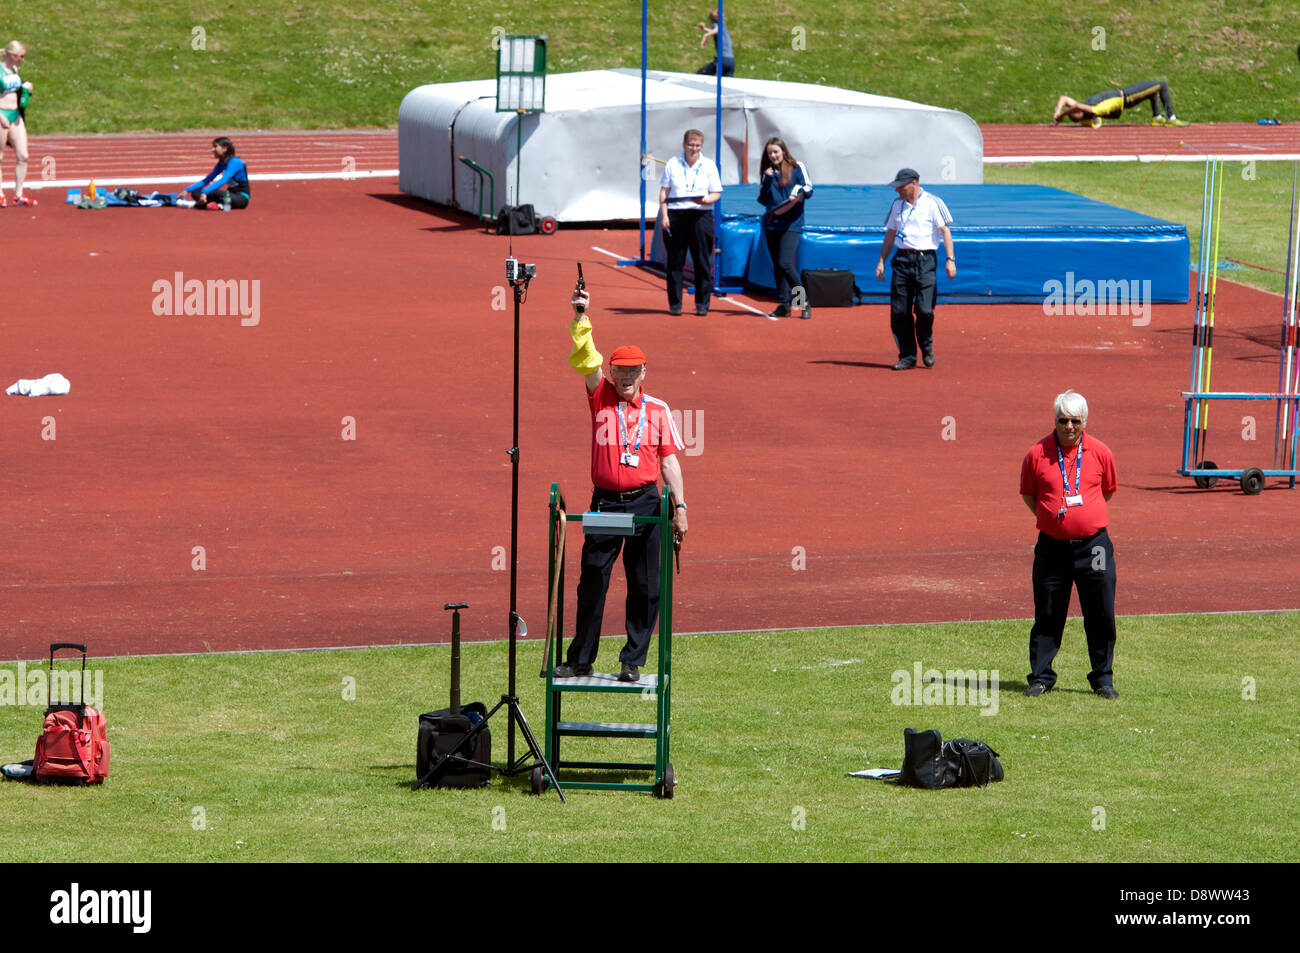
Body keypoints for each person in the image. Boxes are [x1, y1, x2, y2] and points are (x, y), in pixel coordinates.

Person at [556, 287, 689, 683]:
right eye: (620, 370)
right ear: (611, 373)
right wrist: (582, 318)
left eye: (633, 371)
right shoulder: (600, 396)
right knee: (592, 581)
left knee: (645, 584)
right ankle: (581, 658)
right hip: (605, 504)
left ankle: (632, 660)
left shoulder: (658, 409)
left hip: (646, 503)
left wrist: (680, 507)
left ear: (644, 373)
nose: (626, 377)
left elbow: (669, 461)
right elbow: (587, 360)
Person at [1019, 390, 1120, 699]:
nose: (1069, 427)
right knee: (1048, 612)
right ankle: (1041, 676)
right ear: (1055, 420)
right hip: (1052, 547)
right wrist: (1053, 519)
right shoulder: (1037, 454)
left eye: (1075, 421)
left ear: (1084, 422)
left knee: (1101, 611)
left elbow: (1108, 490)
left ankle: (1102, 678)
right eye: (1063, 420)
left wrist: (1084, 517)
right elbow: (1028, 494)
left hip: (1095, 548)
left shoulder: (1101, 452)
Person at [875, 168, 955, 370]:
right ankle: (908, 356)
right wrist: (882, 260)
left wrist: (950, 259)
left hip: (925, 261)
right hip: (902, 260)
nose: (897, 191)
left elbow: (945, 231)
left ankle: (926, 346)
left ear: (914, 183)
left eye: (901, 187)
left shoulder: (933, 202)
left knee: (925, 310)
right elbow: (891, 233)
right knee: (899, 312)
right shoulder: (897, 205)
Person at [659, 129, 722, 316]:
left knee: (702, 261)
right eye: (690, 145)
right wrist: (664, 216)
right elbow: (664, 191)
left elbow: (716, 193)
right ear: (684, 145)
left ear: (701, 146)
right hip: (677, 214)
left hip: (700, 215)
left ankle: (702, 303)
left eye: (697, 146)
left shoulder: (708, 165)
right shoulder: (673, 163)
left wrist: (705, 201)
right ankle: (675, 304)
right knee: (675, 262)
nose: (693, 149)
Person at [757, 136, 813, 319]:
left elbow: (809, 189)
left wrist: (797, 191)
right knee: (777, 266)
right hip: (772, 224)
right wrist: (766, 180)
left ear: (783, 152)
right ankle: (783, 304)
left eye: (776, 152)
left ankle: (803, 302)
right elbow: (762, 199)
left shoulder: (797, 167)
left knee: (785, 263)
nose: (773, 156)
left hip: (791, 224)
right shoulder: (768, 173)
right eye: (770, 153)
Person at [1053, 80, 1185, 128]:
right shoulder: (1095, 109)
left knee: (1151, 91)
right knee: (1162, 85)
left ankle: (1157, 117)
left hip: (1126, 95)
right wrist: (1063, 114)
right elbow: (1077, 107)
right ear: (1082, 112)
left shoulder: (1085, 109)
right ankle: (1171, 118)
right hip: (1128, 97)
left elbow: (1064, 98)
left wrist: (1058, 111)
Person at [0, 41, 37, 207]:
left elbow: (16, 90)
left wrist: (26, 89)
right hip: (2, 115)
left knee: (23, 155)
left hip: (15, 115)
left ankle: (18, 194)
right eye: (21, 56)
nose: (23, 59)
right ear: (12, 55)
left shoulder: (15, 69)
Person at [183, 137, 251, 209]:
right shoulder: (221, 163)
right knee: (196, 192)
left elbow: (224, 179)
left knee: (214, 192)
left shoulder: (235, 161)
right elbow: (207, 179)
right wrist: (187, 190)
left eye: (215, 147)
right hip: (228, 196)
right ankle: (215, 205)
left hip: (240, 199)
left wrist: (205, 192)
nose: (212, 150)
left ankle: (211, 204)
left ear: (225, 149)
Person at [696, 9, 735, 76]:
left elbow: (717, 30)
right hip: (731, 61)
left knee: (701, 74)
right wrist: (704, 28)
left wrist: (706, 35)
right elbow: (714, 31)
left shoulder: (717, 25)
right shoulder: (723, 26)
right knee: (727, 81)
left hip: (722, 60)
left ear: (711, 19)